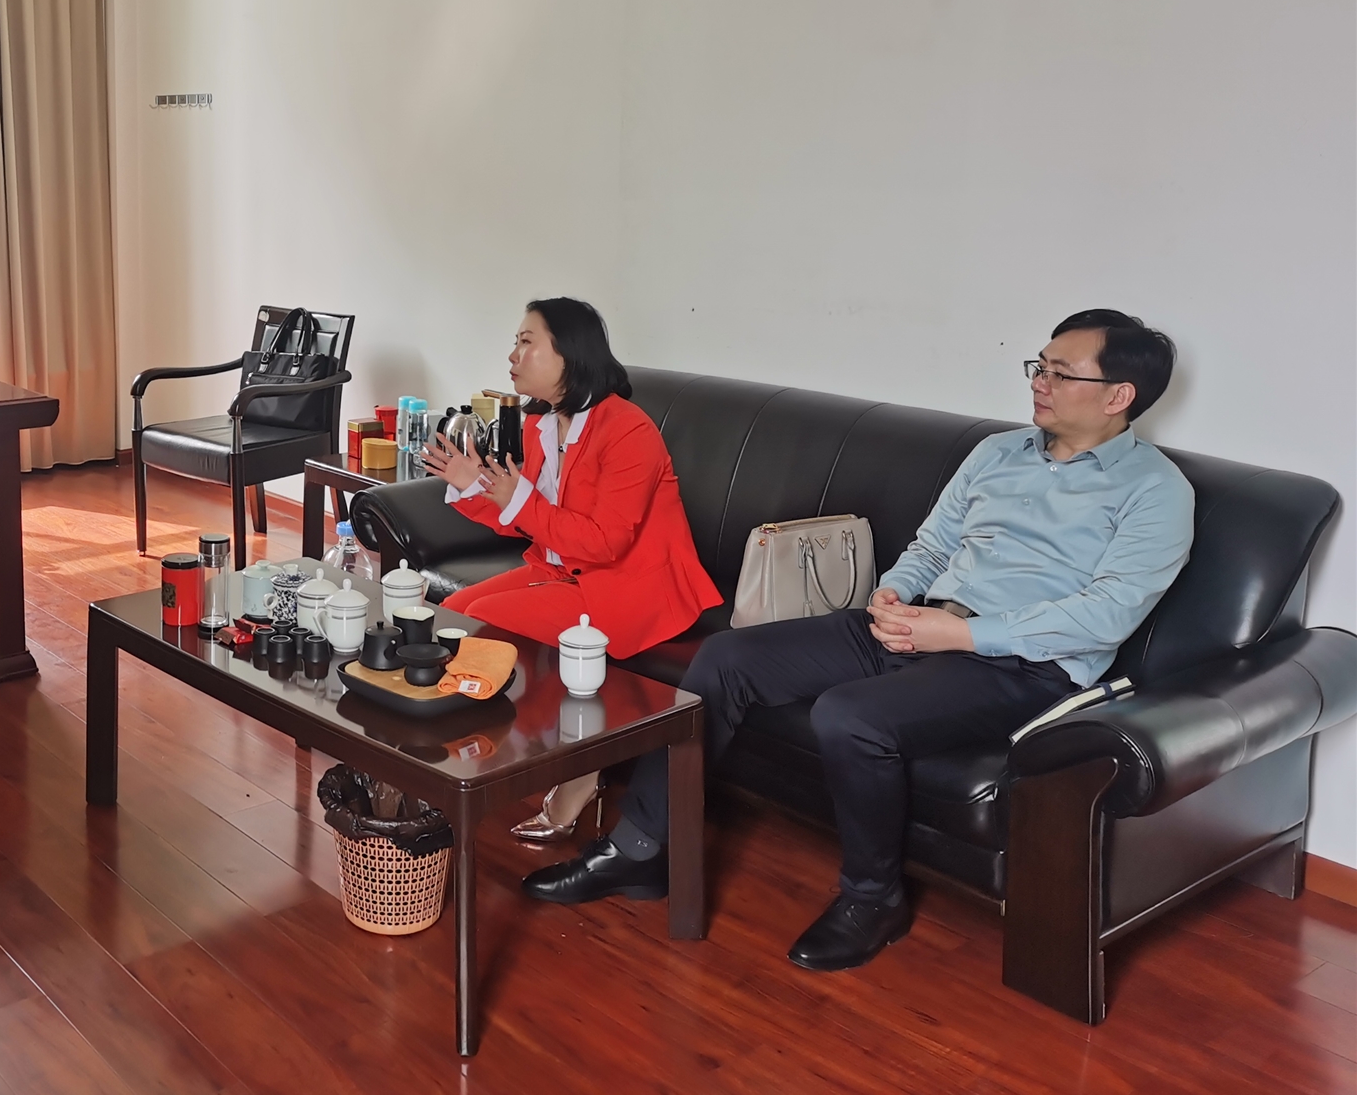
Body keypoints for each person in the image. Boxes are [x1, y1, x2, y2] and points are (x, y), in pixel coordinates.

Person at [522, 309, 1196, 974]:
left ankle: (874, 900)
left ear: (1118, 396)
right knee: (725, 658)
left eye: (1060, 373)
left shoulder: (1156, 492)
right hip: (918, 623)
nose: (1039, 383)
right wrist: (894, 591)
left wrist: (961, 632)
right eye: (1038, 367)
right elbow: (933, 543)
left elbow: (1106, 615)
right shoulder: (998, 452)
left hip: (1023, 667)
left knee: (852, 716)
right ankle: (639, 851)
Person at [425, 298, 723, 838]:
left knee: (488, 625)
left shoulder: (629, 431)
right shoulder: (541, 426)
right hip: (564, 572)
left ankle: (545, 768)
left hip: (629, 587)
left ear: (569, 354)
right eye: (516, 342)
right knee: (454, 615)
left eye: (526, 342)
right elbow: (529, 523)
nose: (513, 355)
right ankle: (474, 757)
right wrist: (473, 485)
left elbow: (606, 542)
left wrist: (518, 499)